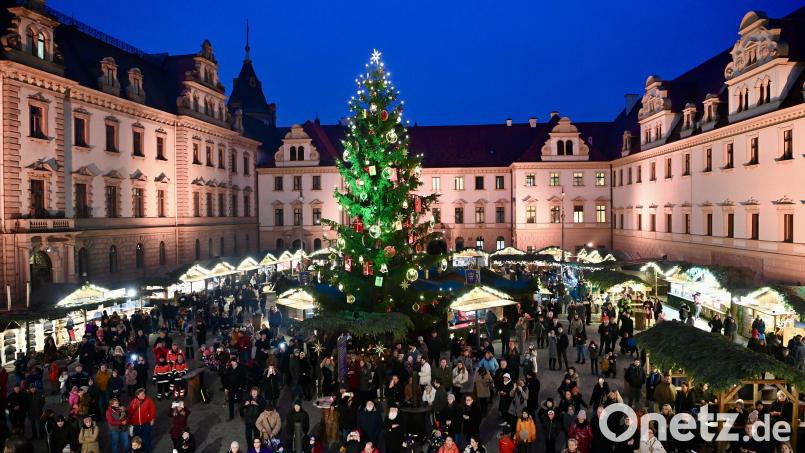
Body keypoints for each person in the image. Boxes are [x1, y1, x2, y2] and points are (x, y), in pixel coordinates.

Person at [127, 388, 156, 452]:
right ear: (137, 395)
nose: (144, 395)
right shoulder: (133, 402)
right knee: (137, 439)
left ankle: (147, 451)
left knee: (147, 438)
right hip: (136, 424)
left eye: (144, 393)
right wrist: (129, 423)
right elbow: (130, 413)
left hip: (146, 423)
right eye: (142, 394)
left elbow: (152, 410)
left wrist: (152, 419)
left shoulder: (149, 400)